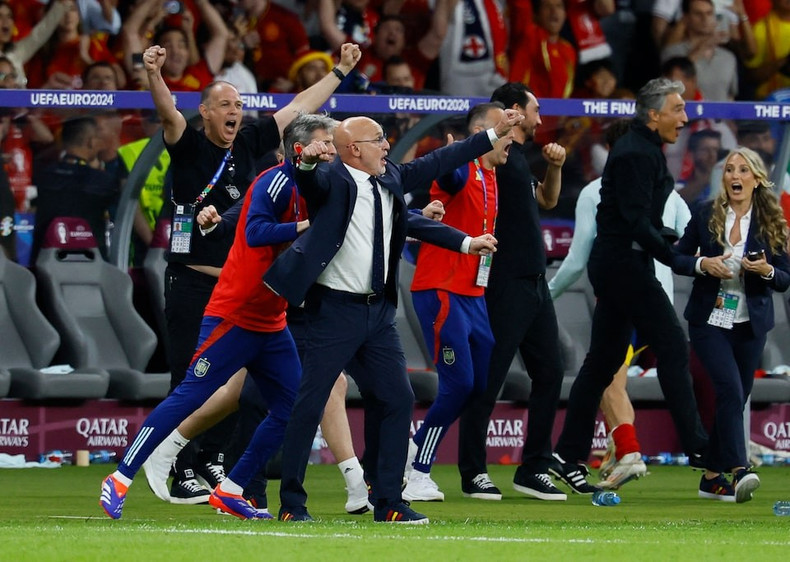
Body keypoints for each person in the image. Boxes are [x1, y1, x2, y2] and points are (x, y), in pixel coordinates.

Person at [264, 110, 522, 523]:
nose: (387, 145)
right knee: (309, 403)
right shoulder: (332, 178)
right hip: (332, 311)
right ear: (353, 149)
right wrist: (308, 160)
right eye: (379, 139)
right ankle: (292, 504)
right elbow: (307, 179)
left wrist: (492, 136)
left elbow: (441, 161)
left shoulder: (391, 178)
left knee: (397, 397)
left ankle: (389, 501)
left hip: (377, 312)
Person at [144, 41, 361, 502]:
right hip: (191, 280)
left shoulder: (249, 142)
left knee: (240, 382)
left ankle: (211, 460)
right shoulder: (186, 143)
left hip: (238, 284)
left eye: (239, 105)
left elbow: (300, 107)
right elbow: (167, 112)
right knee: (192, 376)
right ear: (204, 112)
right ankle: (181, 465)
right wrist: (154, 75)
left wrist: (341, 71)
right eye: (225, 104)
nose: (235, 111)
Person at [99, 113, 338, 523]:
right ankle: (120, 475)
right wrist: (303, 226)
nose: (332, 151)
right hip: (236, 313)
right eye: (325, 144)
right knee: (190, 394)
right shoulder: (276, 180)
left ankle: (231, 488)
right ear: (300, 149)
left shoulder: (316, 187)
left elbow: (241, 218)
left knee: (290, 407)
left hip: (272, 318)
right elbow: (256, 232)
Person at [549, 77, 709, 493]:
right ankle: (699, 449)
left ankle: (567, 453)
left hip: (618, 262)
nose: (685, 117)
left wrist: (675, 250)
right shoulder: (639, 154)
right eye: (678, 109)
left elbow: (644, 221)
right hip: (625, 264)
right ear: (654, 114)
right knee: (673, 345)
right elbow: (639, 221)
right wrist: (674, 257)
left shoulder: (644, 151)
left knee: (601, 362)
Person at [455, 82, 568, 501]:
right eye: (536, 109)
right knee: (491, 377)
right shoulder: (492, 152)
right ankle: (472, 470)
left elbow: (546, 202)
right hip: (503, 279)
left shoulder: (516, 157)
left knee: (551, 372)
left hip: (536, 280)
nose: (541, 117)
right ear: (516, 111)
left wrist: (554, 167)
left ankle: (534, 466)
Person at [401, 102, 515, 502]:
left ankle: (415, 450)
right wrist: (455, 152)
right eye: (504, 130)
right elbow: (446, 172)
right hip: (440, 288)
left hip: (474, 294)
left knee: (480, 385)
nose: (512, 140)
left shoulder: (492, 175)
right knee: (458, 383)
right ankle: (418, 471)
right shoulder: (460, 169)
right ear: (482, 132)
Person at [673, 146, 790, 503]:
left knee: (734, 400)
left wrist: (766, 270)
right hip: (710, 319)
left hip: (750, 323)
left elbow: (785, 278)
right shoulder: (706, 212)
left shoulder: (772, 219)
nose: (734, 176)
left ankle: (711, 477)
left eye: (742, 170)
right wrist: (703, 264)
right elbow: (677, 256)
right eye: (729, 170)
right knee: (730, 390)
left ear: (756, 179)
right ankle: (740, 470)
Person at [31, 116, 118, 263]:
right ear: (90, 142)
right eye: (97, 139)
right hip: (90, 262)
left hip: (45, 262)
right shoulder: (101, 181)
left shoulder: (43, 174)